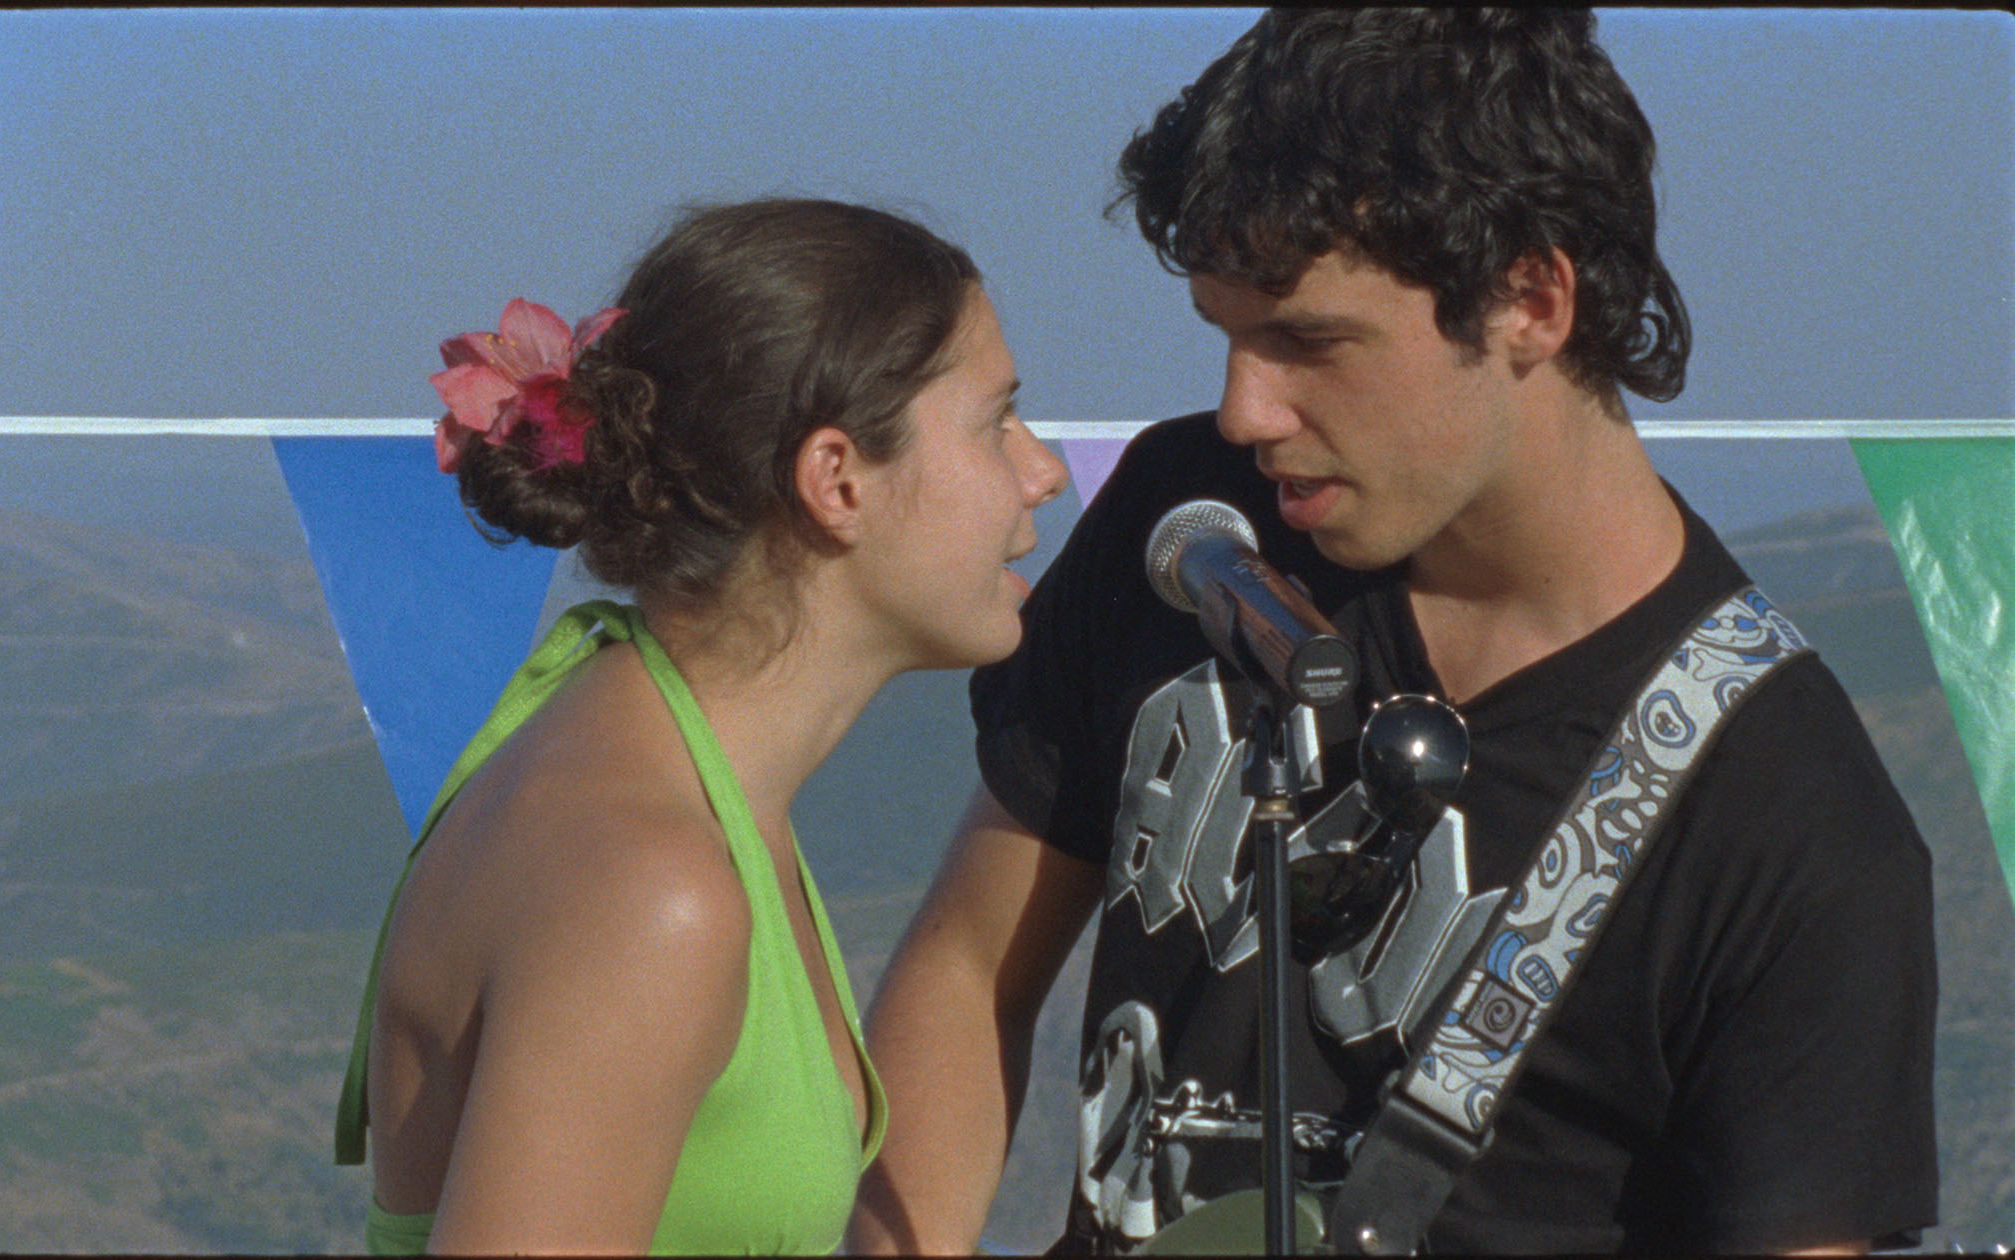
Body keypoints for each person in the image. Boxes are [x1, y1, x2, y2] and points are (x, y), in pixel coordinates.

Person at [849, 10, 1937, 1255]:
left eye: (1306, 340)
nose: (1244, 409)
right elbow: (967, 968)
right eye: (1225, 334)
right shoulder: (1191, 529)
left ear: (1530, 299)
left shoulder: (1793, 822)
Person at [331, 197, 1067, 1255]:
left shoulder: (656, 749)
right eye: (996, 421)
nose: (1042, 471)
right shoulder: (650, 887)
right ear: (837, 481)